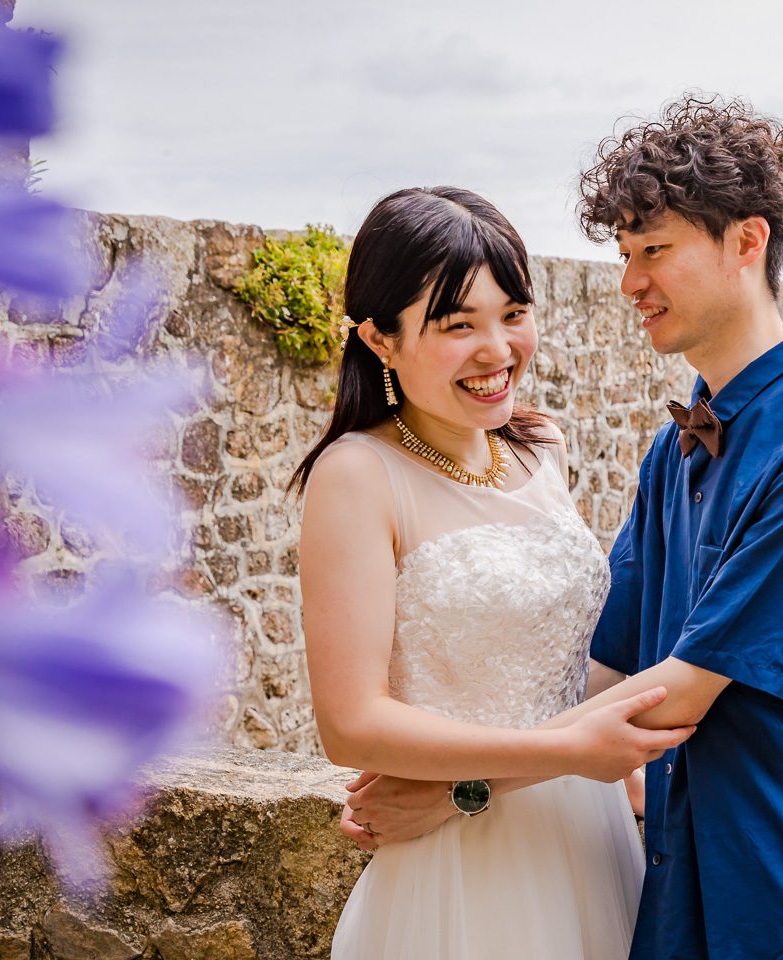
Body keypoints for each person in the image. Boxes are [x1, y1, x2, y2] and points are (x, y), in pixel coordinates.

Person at [343, 96, 783, 959]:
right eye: (623, 254)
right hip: (673, 877)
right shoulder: (676, 446)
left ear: (746, 242)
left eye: (654, 250)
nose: (628, 283)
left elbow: (677, 694)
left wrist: (465, 790)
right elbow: (605, 665)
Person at [295, 186, 691, 959]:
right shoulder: (357, 475)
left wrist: (578, 770)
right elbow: (352, 724)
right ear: (379, 339)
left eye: (513, 314)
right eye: (457, 326)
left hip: (593, 838)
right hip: (458, 877)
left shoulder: (544, 446)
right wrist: (571, 755)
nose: (497, 351)